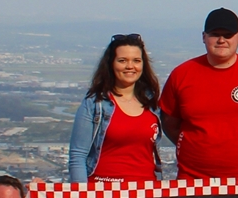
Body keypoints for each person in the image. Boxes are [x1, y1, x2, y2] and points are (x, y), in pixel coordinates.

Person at [159, 8, 238, 180]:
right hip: (193, 179)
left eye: (228, 35)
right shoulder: (181, 75)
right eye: (215, 34)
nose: (221, 40)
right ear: (204, 37)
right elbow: (169, 123)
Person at [68, 33, 165, 183]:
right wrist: (82, 194)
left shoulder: (151, 102)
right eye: (122, 60)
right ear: (111, 64)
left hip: (146, 190)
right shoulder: (95, 103)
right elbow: (78, 155)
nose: (130, 66)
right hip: (103, 190)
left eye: (136, 61)